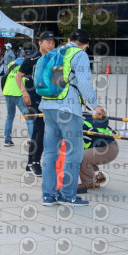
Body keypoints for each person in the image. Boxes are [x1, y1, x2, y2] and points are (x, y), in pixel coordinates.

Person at [39, 29, 106, 206]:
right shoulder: (79, 54)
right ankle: (68, 195)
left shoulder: (55, 52)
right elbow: (84, 82)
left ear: (69, 39)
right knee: (74, 153)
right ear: (85, 45)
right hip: (68, 109)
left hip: (48, 106)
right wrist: (95, 104)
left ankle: (48, 195)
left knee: (50, 153)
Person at [16, 31, 56, 176]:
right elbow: (18, 77)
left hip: (48, 98)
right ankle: (36, 162)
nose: (51, 45)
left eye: (53, 43)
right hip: (33, 98)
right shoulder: (32, 59)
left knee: (37, 131)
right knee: (42, 129)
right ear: (40, 43)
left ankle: (30, 162)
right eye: (48, 42)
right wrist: (24, 92)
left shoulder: (54, 59)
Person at [77, 117, 119, 193]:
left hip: (108, 148)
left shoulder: (80, 125)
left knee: (81, 156)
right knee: (86, 155)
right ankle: (98, 176)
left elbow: (85, 143)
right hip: (108, 146)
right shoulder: (80, 120)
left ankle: (90, 183)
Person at [2, 51, 34, 147]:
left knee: (9, 116)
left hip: (7, 92)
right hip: (20, 92)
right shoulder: (29, 64)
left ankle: (7, 140)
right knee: (28, 117)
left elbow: (5, 77)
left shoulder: (12, 63)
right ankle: (33, 140)